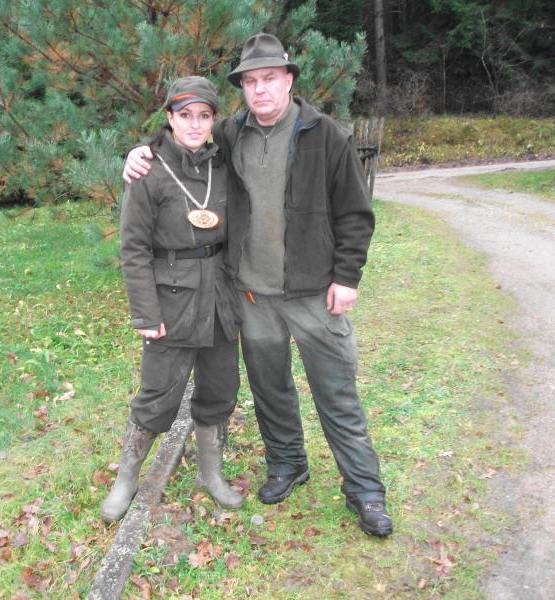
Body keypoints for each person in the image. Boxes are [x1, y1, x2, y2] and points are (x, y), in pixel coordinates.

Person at [123, 34, 393, 537]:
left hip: (314, 294)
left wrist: (347, 276)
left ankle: (365, 489)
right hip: (251, 296)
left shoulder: (326, 136)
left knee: (336, 393)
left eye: (269, 78)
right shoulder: (230, 134)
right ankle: (287, 464)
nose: (260, 89)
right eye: (250, 81)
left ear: (288, 80)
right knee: (271, 390)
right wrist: (140, 152)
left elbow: (356, 214)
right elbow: (182, 144)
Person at [102, 76, 243, 523]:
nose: (195, 124)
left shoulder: (225, 165)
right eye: (185, 115)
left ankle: (211, 473)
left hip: (220, 299)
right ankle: (126, 478)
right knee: (158, 394)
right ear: (170, 118)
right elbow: (133, 248)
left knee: (219, 389)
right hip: (171, 301)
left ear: (214, 120)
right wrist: (145, 312)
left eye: (204, 115)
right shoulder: (148, 169)